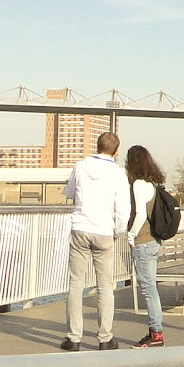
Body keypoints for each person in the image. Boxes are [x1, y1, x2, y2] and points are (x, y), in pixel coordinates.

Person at [61, 132, 130, 351]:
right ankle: (104, 338)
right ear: (116, 151)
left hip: (80, 227)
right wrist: (117, 231)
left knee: (75, 283)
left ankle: (73, 338)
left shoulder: (80, 166)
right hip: (103, 231)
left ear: (97, 146)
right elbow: (123, 210)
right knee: (105, 286)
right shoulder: (118, 174)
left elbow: (69, 192)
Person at [125, 145, 167, 348]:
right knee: (152, 288)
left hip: (143, 241)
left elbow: (140, 214)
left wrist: (130, 236)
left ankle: (156, 334)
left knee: (149, 289)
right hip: (154, 241)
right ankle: (156, 332)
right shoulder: (152, 184)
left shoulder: (138, 185)